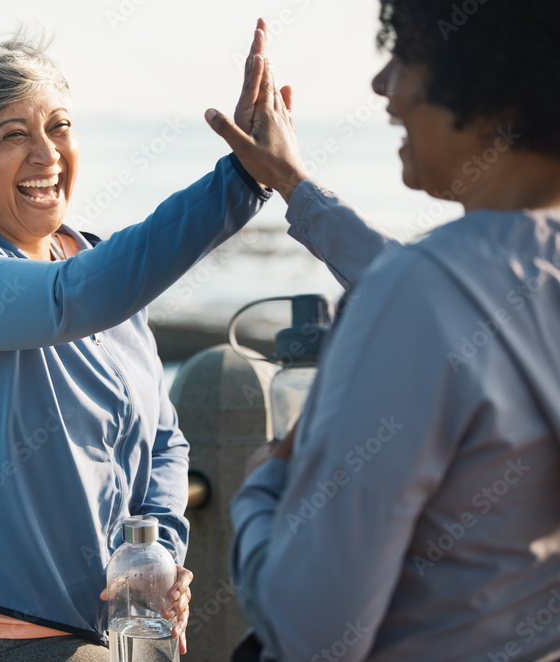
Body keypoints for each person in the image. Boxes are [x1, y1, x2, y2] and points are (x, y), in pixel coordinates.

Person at [0, 29, 272, 661]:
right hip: (0, 630)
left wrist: (158, 556)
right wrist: (239, 180)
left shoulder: (98, 262)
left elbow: (164, 441)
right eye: (13, 133)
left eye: (59, 127)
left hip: (121, 626)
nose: (46, 154)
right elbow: (66, 298)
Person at [206, 2, 560, 660]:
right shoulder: (480, 283)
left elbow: (310, 633)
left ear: (484, 74)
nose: (381, 86)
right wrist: (290, 181)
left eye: (406, 57)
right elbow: (455, 298)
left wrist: (262, 489)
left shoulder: (422, 294)